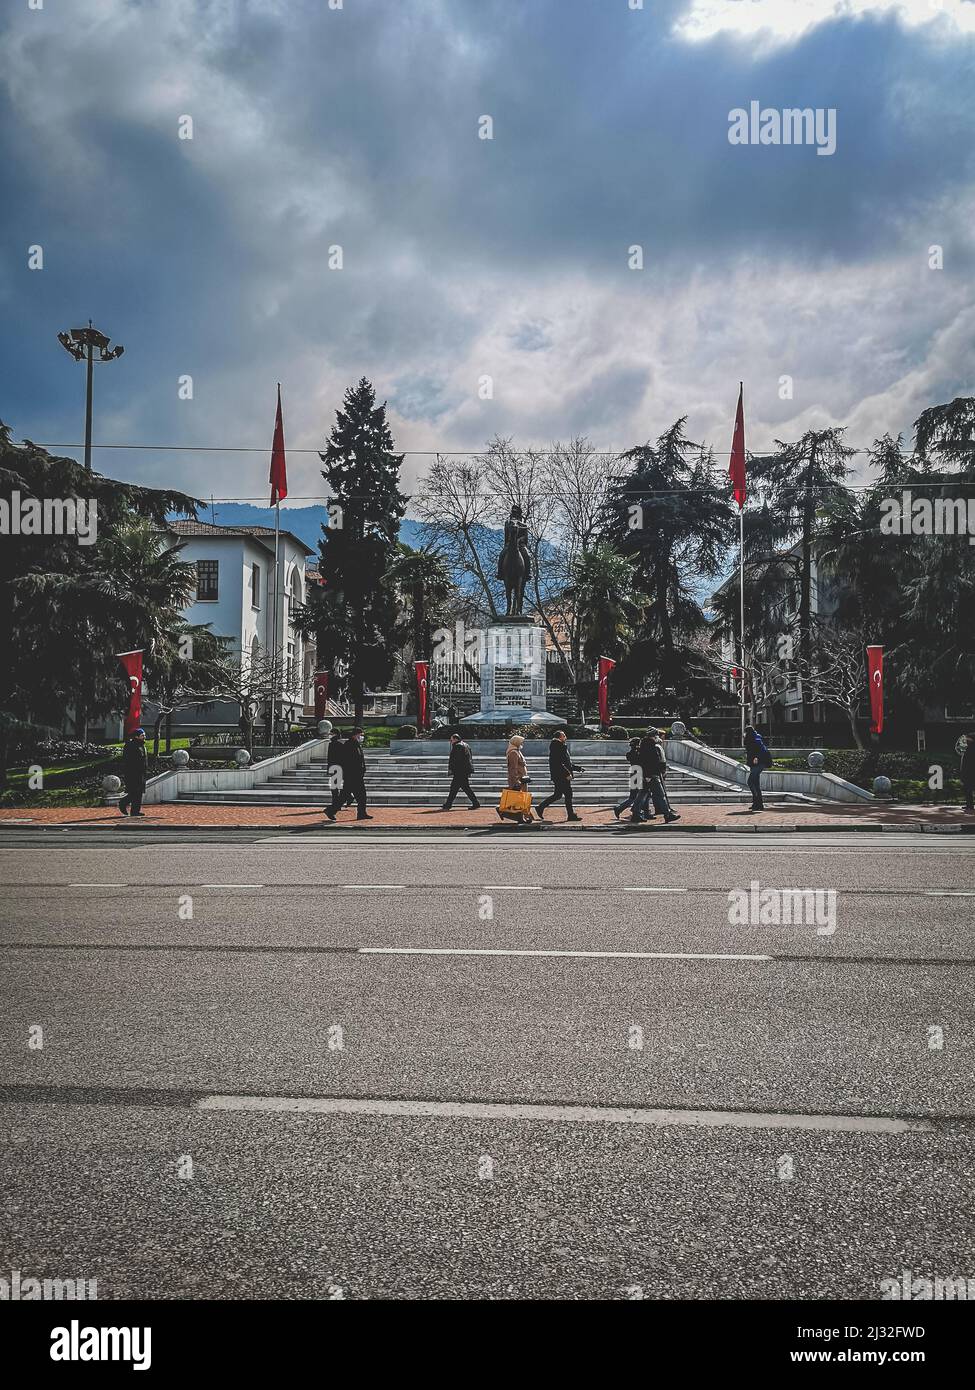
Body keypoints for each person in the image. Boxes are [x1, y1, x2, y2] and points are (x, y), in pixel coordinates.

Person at [633, 730, 680, 824]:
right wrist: (648, 775)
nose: (657, 738)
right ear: (653, 736)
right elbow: (647, 762)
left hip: (650, 774)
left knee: (642, 794)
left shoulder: (646, 745)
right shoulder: (649, 746)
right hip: (652, 775)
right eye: (656, 736)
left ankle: (636, 814)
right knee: (660, 795)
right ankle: (667, 814)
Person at [327, 726, 372, 821]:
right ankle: (331, 810)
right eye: (360, 735)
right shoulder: (349, 744)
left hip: (356, 775)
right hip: (352, 775)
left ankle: (361, 813)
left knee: (350, 796)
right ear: (356, 735)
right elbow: (347, 761)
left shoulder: (355, 744)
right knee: (359, 796)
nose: (361, 737)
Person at [538, 730, 582, 821]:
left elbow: (566, 763)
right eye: (564, 735)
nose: (565, 737)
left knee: (558, 795)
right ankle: (571, 815)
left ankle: (540, 807)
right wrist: (567, 773)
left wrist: (577, 768)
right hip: (561, 776)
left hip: (559, 775)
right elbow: (559, 763)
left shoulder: (558, 746)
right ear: (559, 737)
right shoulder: (558, 746)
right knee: (568, 794)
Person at [501, 733, 534, 824]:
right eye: (520, 742)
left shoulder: (517, 751)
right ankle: (520, 817)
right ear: (516, 742)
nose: (522, 744)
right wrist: (516, 781)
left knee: (520, 799)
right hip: (519, 780)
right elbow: (513, 768)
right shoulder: (513, 753)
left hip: (522, 779)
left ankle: (523, 816)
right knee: (519, 799)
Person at [443, 733, 480, 810]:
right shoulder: (466, 745)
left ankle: (448, 804)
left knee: (455, 788)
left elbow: (457, 760)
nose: (451, 741)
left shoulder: (458, 746)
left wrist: (453, 769)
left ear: (456, 739)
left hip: (460, 771)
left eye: (452, 739)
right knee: (463, 788)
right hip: (464, 770)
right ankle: (475, 803)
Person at [118, 727, 148, 817]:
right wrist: (130, 772)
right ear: (136, 736)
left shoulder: (142, 745)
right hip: (133, 773)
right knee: (134, 793)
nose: (144, 737)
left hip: (141, 773)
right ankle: (123, 803)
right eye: (142, 735)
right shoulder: (130, 746)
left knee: (139, 793)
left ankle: (135, 811)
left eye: (144, 735)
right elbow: (128, 761)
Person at [744, 724, 771, 811]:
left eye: (745, 733)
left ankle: (757, 801)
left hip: (759, 763)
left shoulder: (755, 738)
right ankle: (758, 804)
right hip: (755, 763)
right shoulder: (753, 738)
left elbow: (761, 749)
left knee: (750, 781)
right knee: (756, 784)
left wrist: (756, 757)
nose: (744, 735)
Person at [614, 737, 642, 820]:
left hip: (634, 772)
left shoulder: (630, 754)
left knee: (635, 796)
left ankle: (637, 811)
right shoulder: (637, 754)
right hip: (638, 773)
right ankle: (620, 808)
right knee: (636, 796)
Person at [323, 729, 348, 819]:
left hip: (336, 768)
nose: (330, 735)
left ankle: (336, 804)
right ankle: (338, 803)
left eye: (331, 734)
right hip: (337, 768)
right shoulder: (336, 743)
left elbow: (333, 758)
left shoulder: (336, 743)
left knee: (335, 788)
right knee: (336, 788)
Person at [961, 732, 975, 813]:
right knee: (968, 790)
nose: (966, 740)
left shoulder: (972, 748)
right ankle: (969, 805)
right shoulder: (969, 747)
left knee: (968, 789)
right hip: (968, 773)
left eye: (968, 739)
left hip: (970, 773)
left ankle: (969, 806)